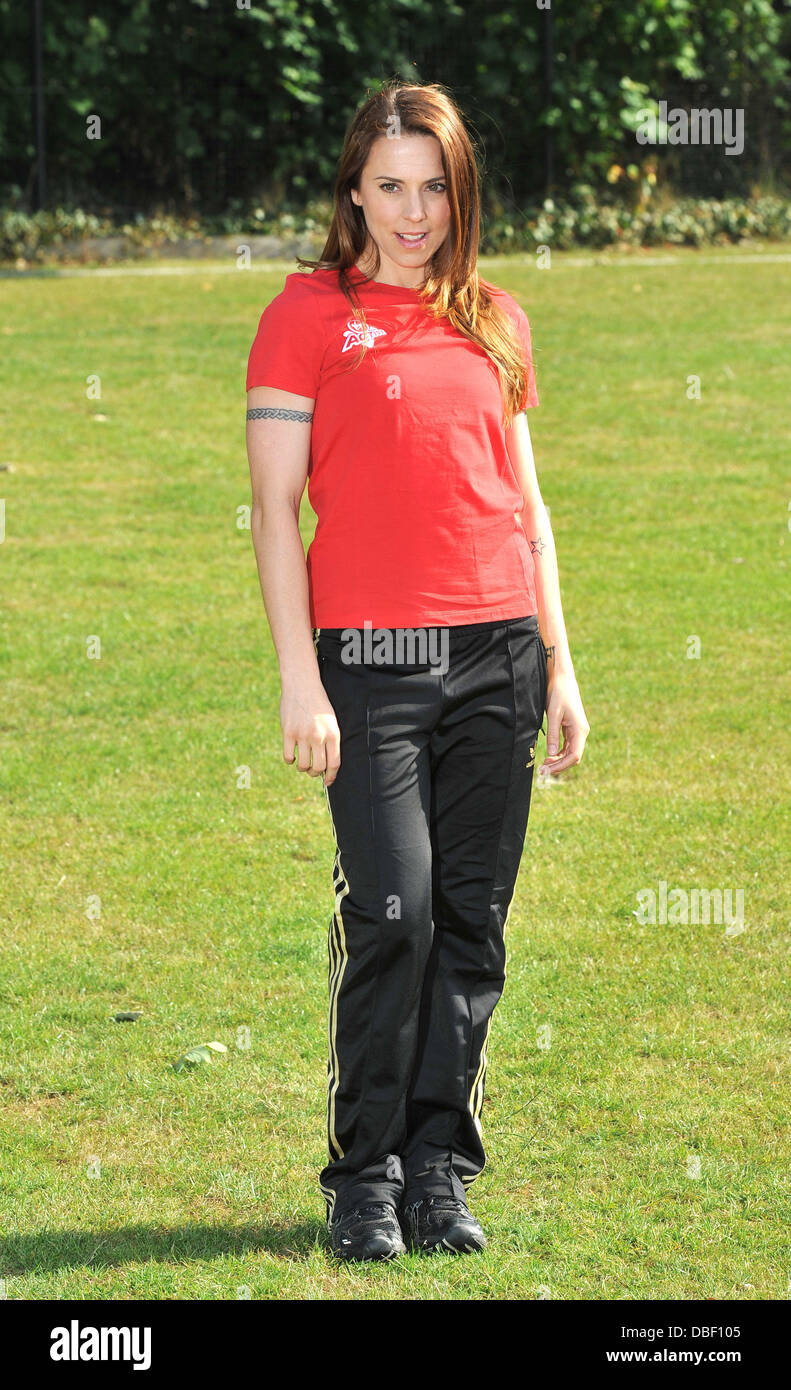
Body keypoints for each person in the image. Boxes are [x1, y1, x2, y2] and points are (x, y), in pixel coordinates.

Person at [245, 80, 589, 1262]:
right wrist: (300, 678)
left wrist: (557, 660)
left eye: (432, 185)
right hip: (370, 661)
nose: (411, 210)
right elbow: (271, 507)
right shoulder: (304, 315)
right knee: (392, 912)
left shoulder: (496, 316)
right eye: (388, 185)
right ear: (352, 189)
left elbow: (527, 504)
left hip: (497, 649)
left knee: (469, 922)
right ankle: (361, 1174)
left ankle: (437, 1169)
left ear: (459, 191)